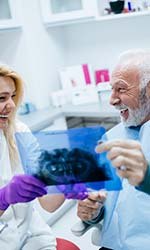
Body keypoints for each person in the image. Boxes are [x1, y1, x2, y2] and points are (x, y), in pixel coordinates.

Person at [0, 63, 81, 250]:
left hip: (31, 238)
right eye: (1, 98)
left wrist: (64, 182)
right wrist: (3, 199)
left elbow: (48, 204)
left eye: (12, 96)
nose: (11, 105)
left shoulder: (18, 132)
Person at [77, 49, 150, 250]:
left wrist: (147, 178)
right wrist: (93, 212)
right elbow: (104, 203)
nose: (112, 99)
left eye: (122, 89)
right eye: (112, 89)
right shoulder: (111, 137)